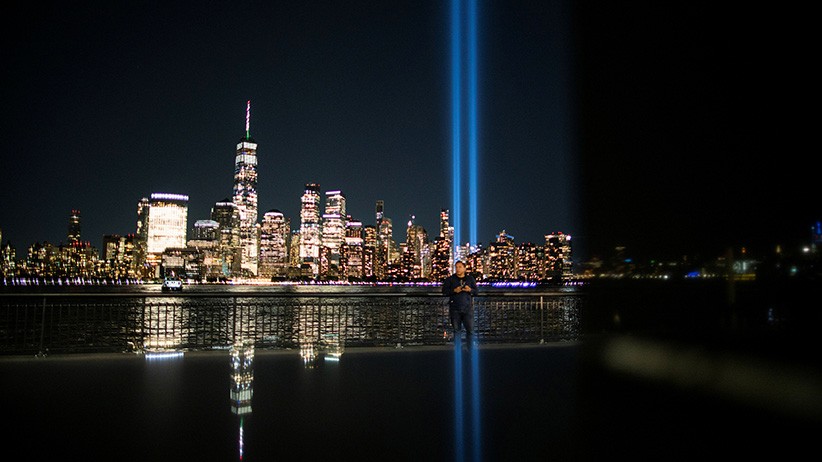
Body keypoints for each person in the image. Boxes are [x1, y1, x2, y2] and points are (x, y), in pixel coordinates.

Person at [441, 260, 478, 339]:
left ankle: (470, 350)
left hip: (468, 309)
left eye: (460, 267)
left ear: (464, 268)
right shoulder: (450, 279)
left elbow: (476, 292)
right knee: (457, 331)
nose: (458, 269)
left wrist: (470, 290)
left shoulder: (470, 279)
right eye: (456, 267)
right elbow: (444, 291)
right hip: (455, 309)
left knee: (470, 331)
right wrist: (454, 290)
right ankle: (457, 350)